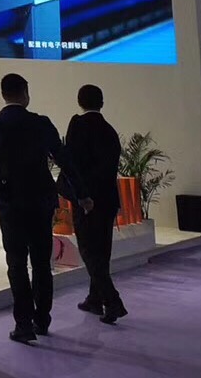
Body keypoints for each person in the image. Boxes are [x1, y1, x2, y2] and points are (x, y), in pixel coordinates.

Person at [0, 73, 89, 344]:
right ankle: (42, 319)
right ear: (25, 93)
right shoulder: (41, 123)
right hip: (41, 201)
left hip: (11, 204)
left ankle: (23, 323)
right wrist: (81, 193)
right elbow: (64, 159)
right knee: (41, 263)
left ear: (3, 94)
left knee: (16, 263)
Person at [64, 84, 126, 324]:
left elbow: (72, 163)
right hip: (108, 199)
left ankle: (112, 300)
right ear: (102, 102)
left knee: (89, 252)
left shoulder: (78, 125)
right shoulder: (109, 131)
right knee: (102, 252)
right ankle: (94, 298)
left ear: (79, 101)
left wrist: (81, 195)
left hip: (86, 200)